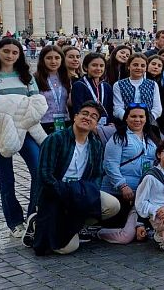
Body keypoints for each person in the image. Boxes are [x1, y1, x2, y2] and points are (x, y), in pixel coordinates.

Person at [32, 102, 121, 255]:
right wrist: (67, 193)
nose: (88, 118)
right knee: (66, 248)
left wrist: (87, 193)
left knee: (112, 205)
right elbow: (45, 175)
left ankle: (75, 226)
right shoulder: (56, 139)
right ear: (75, 117)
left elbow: (97, 175)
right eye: (85, 113)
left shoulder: (96, 144)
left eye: (94, 117)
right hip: (55, 194)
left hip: (80, 192)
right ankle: (38, 221)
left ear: (96, 124)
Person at [0, 37, 42, 238]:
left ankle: (33, 215)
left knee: (38, 170)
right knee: (7, 177)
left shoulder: (27, 76)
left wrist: (8, 104)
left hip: (26, 129)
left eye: (15, 52)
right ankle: (14, 222)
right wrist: (21, 103)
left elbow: (37, 103)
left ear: (20, 54)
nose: (10, 56)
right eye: (6, 51)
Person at [99, 106, 159, 244]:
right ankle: (95, 231)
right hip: (117, 192)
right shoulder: (118, 137)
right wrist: (122, 185)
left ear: (146, 119)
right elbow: (110, 164)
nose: (137, 119)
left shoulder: (151, 138)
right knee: (119, 226)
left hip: (140, 193)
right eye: (133, 116)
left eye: (141, 116)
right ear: (126, 118)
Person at [112, 53, 162, 124]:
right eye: (135, 65)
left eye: (142, 66)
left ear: (146, 68)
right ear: (129, 66)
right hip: (125, 123)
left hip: (148, 124)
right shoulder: (118, 85)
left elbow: (157, 108)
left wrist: (146, 120)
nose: (139, 68)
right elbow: (117, 108)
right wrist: (130, 120)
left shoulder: (153, 84)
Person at [34, 45, 72, 134]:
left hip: (65, 122)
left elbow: (69, 102)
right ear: (42, 60)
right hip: (43, 123)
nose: (53, 61)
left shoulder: (66, 78)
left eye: (57, 58)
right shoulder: (35, 79)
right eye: (49, 58)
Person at [70, 53, 114, 130]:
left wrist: (111, 122)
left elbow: (110, 108)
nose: (98, 68)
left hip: (104, 127)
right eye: (94, 65)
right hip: (86, 126)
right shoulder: (79, 85)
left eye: (101, 66)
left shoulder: (107, 86)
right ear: (86, 67)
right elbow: (78, 108)